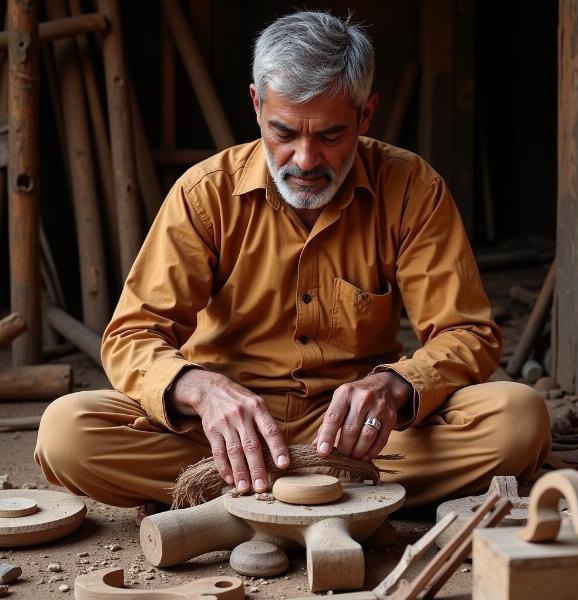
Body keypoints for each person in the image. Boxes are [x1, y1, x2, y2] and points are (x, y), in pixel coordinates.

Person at [35, 11, 551, 514]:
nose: (305, 160)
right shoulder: (204, 194)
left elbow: (467, 332)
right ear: (257, 106)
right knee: (67, 432)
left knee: (519, 420)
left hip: (359, 440)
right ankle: (334, 498)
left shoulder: (412, 189)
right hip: (219, 436)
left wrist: (394, 385)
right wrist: (201, 389)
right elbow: (132, 335)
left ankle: (247, 500)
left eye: (330, 136)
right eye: (284, 133)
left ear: (365, 115)